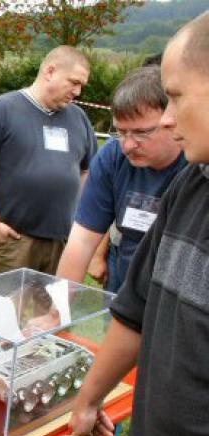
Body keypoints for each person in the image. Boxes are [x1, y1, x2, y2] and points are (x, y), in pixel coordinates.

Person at [63, 12, 209, 436]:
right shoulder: (191, 185)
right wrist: (89, 399)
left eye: (176, 97)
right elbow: (134, 310)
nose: (168, 118)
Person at [0, 46, 98, 276]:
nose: (78, 92)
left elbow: (88, 171)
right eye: (74, 82)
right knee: (6, 300)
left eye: (82, 86)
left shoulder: (79, 118)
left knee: (54, 301)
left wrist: (78, 220)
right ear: (50, 71)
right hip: (14, 241)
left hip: (63, 242)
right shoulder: (1, 110)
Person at [56, 66, 186, 292]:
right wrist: (58, 307)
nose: (128, 145)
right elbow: (82, 241)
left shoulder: (197, 165)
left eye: (141, 133)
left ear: (172, 120)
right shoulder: (113, 157)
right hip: (125, 284)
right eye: (121, 132)